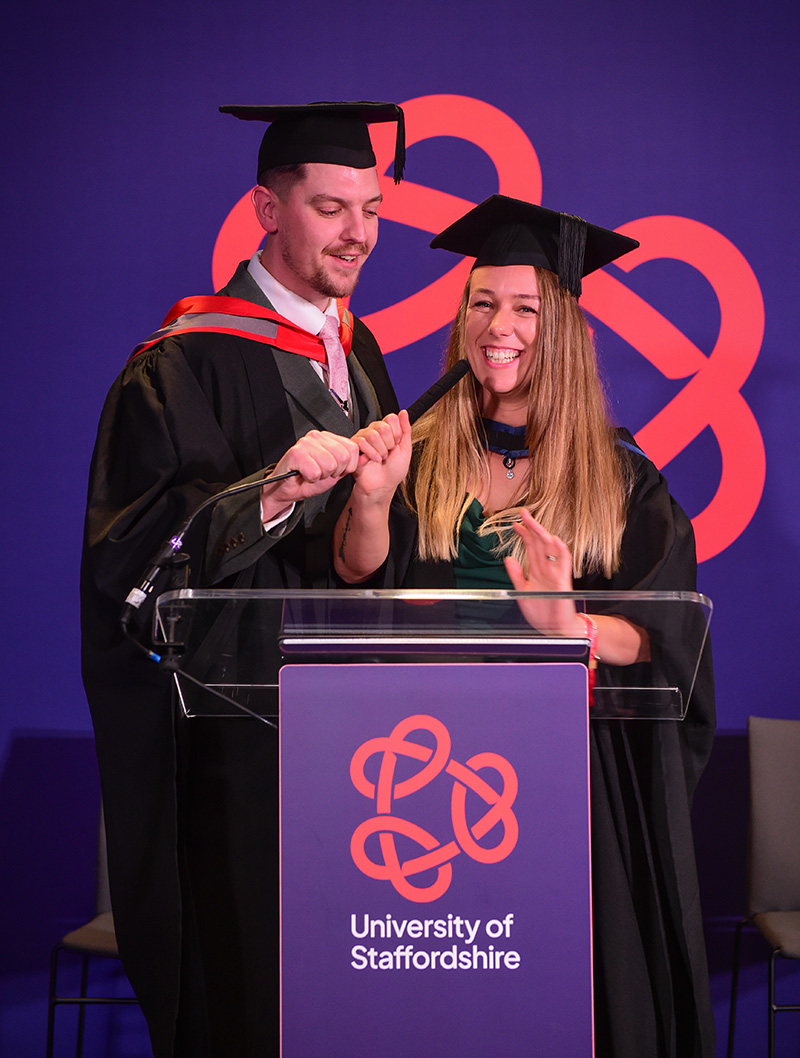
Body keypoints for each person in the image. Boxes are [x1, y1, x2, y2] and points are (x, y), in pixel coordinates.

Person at [334, 194, 716, 1058]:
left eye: (524, 308)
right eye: (482, 302)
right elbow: (360, 573)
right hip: (427, 766)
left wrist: (566, 620)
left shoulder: (622, 480)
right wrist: (372, 494)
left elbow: (660, 641)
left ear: (566, 330)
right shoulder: (421, 453)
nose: (497, 325)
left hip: (557, 781)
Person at [81, 100, 405, 1058]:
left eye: (373, 208)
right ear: (268, 209)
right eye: (331, 207)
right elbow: (130, 563)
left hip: (356, 748)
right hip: (235, 750)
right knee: (249, 1000)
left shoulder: (364, 353)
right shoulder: (182, 361)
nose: (359, 234)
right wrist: (269, 493)